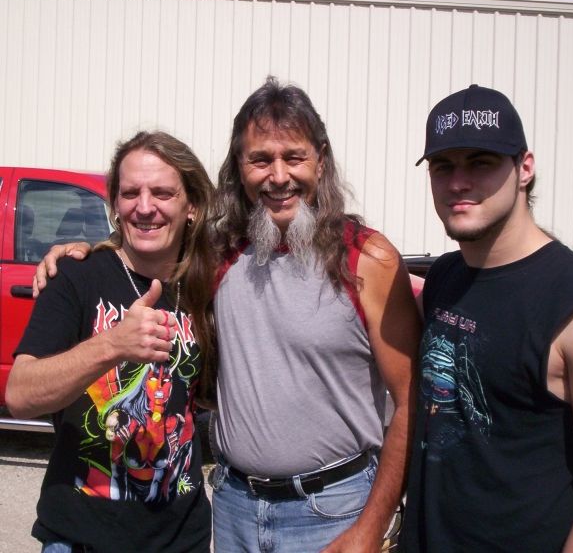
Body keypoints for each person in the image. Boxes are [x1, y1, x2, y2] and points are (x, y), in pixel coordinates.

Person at [33, 77, 421, 552]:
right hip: (235, 510)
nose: (278, 176)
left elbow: (411, 399)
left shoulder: (367, 259)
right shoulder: (220, 256)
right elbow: (149, 241)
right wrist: (87, 252)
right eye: (260, 160)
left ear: (321, 160)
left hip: (331, 515)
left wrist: (372, 526)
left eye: (294, 157)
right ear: (239, 167)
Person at [400, 84, 573, 552]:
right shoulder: (446, 279)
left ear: (525, 168)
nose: (458, 182)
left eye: (481, 163)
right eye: (443, 166)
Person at [8, 131, 217, 552]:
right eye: (130, 193)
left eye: (162, 193)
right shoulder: (76, 276)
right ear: (115, 205)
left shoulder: (208, 287)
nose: (145, 207)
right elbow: (20, 395)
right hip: (81, 539)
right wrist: (112, 345)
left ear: (191, 206)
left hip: (181, 541)